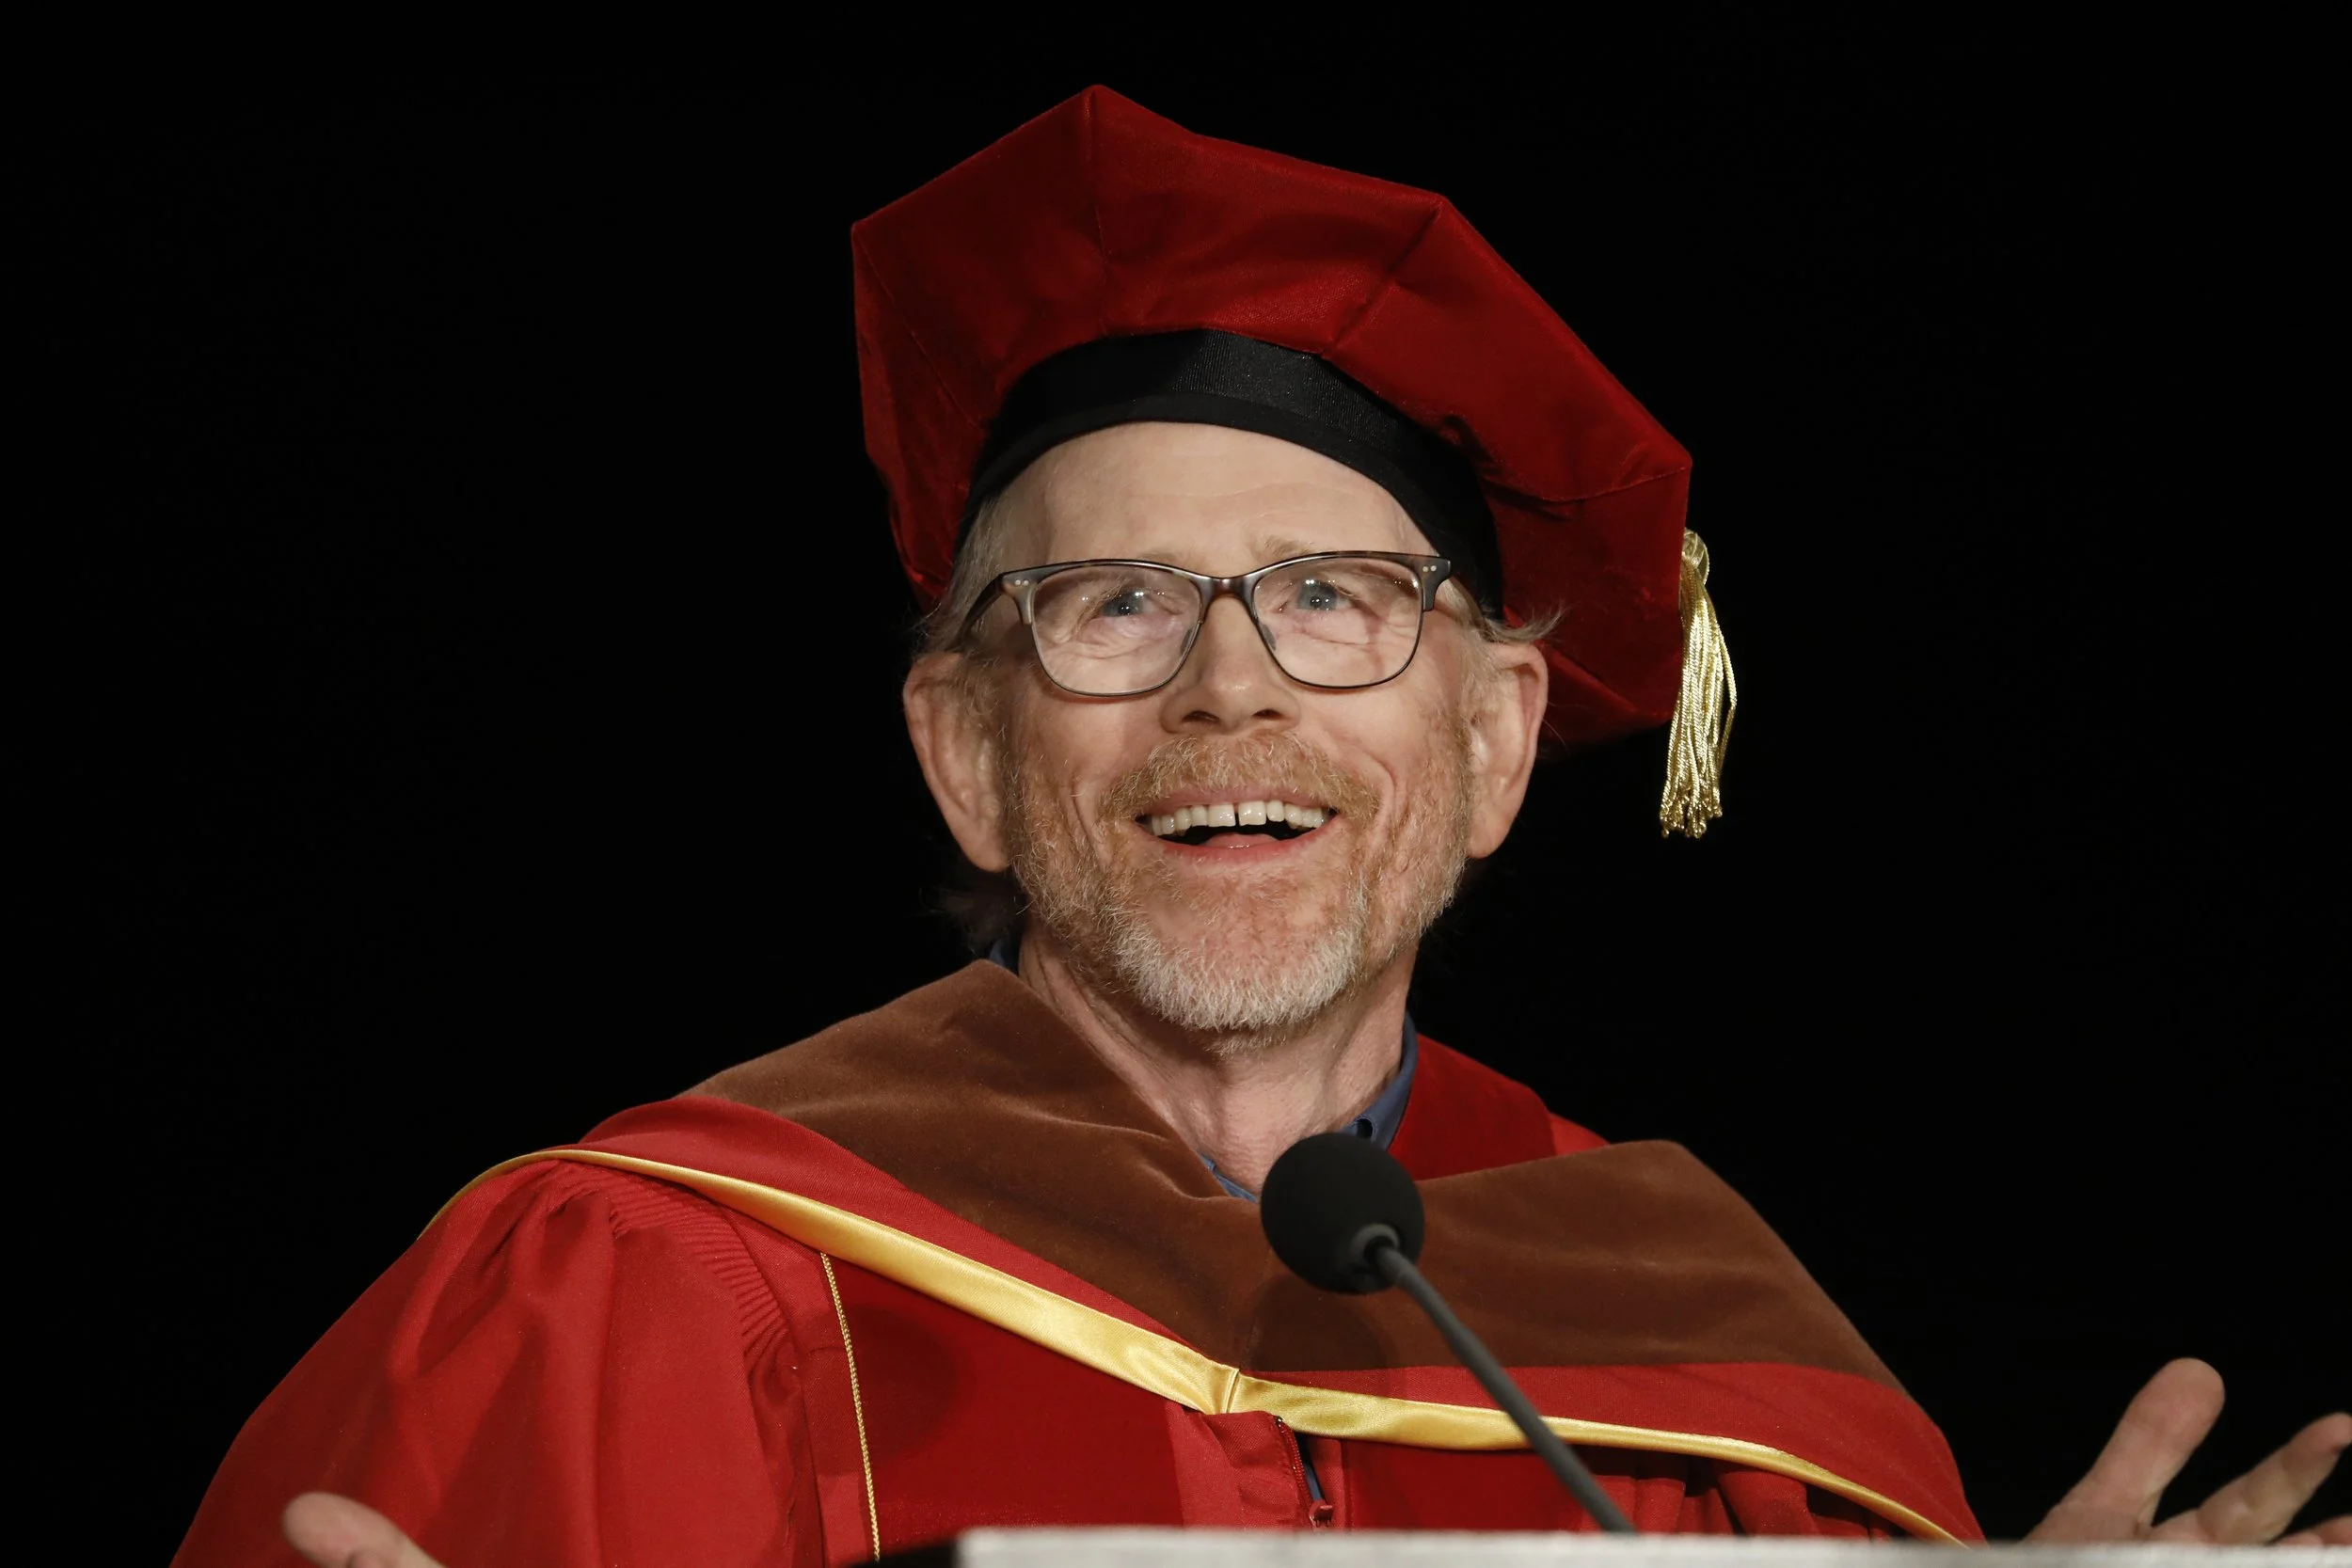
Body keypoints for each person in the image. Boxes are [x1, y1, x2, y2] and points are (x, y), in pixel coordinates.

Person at [176, 87, 2348, 1568]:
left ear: (1495, 739)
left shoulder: (1716, 1379)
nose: (1231, 690)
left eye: (1333, 599)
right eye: (1111, 604)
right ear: (962, 743)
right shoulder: (641, 1278)